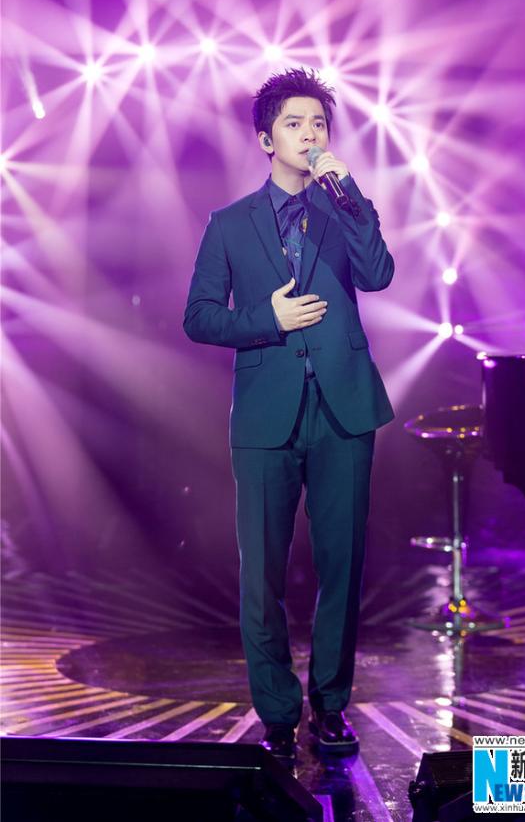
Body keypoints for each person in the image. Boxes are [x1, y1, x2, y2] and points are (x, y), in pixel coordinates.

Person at [184, 68, 394, 759]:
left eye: (320, 124)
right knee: (262, 575)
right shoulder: (228, 224)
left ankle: (331, 705)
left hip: (343, 410)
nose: (310, 135)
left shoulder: (343, 209)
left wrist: (351, 192)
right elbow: (198, 317)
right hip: (266, 416)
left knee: (343, 565)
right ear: (266, 139)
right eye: (296, 124)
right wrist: (265, 318)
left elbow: (378, 273)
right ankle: (277, 711)